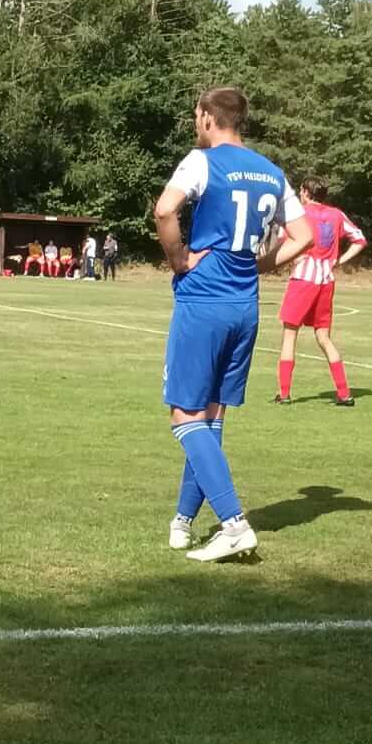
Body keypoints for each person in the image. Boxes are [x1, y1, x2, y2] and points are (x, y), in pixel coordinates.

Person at [155, 86, 313, 563]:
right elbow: (302, 235)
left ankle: (233, 523)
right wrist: (261, 265)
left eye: (196, 116)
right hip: (245, 306)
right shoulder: (271, 171)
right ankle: (184, 523)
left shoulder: (202, 161)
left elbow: (165, 209)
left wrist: (179, 258)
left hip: (203, 301)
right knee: (212, 415)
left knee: (184, 415)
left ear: (207, 118)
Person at [276, 177, 367, 407]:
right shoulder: (337, 215)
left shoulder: (298, 213)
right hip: (326, 280)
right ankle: (344, 393)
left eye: (301, 191)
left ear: (306, 192)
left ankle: (284, 394)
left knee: (289, 335)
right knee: (324, 337)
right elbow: (359, 239)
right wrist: (339, 260)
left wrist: (293, 258)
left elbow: (281, 241)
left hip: (303, 279)